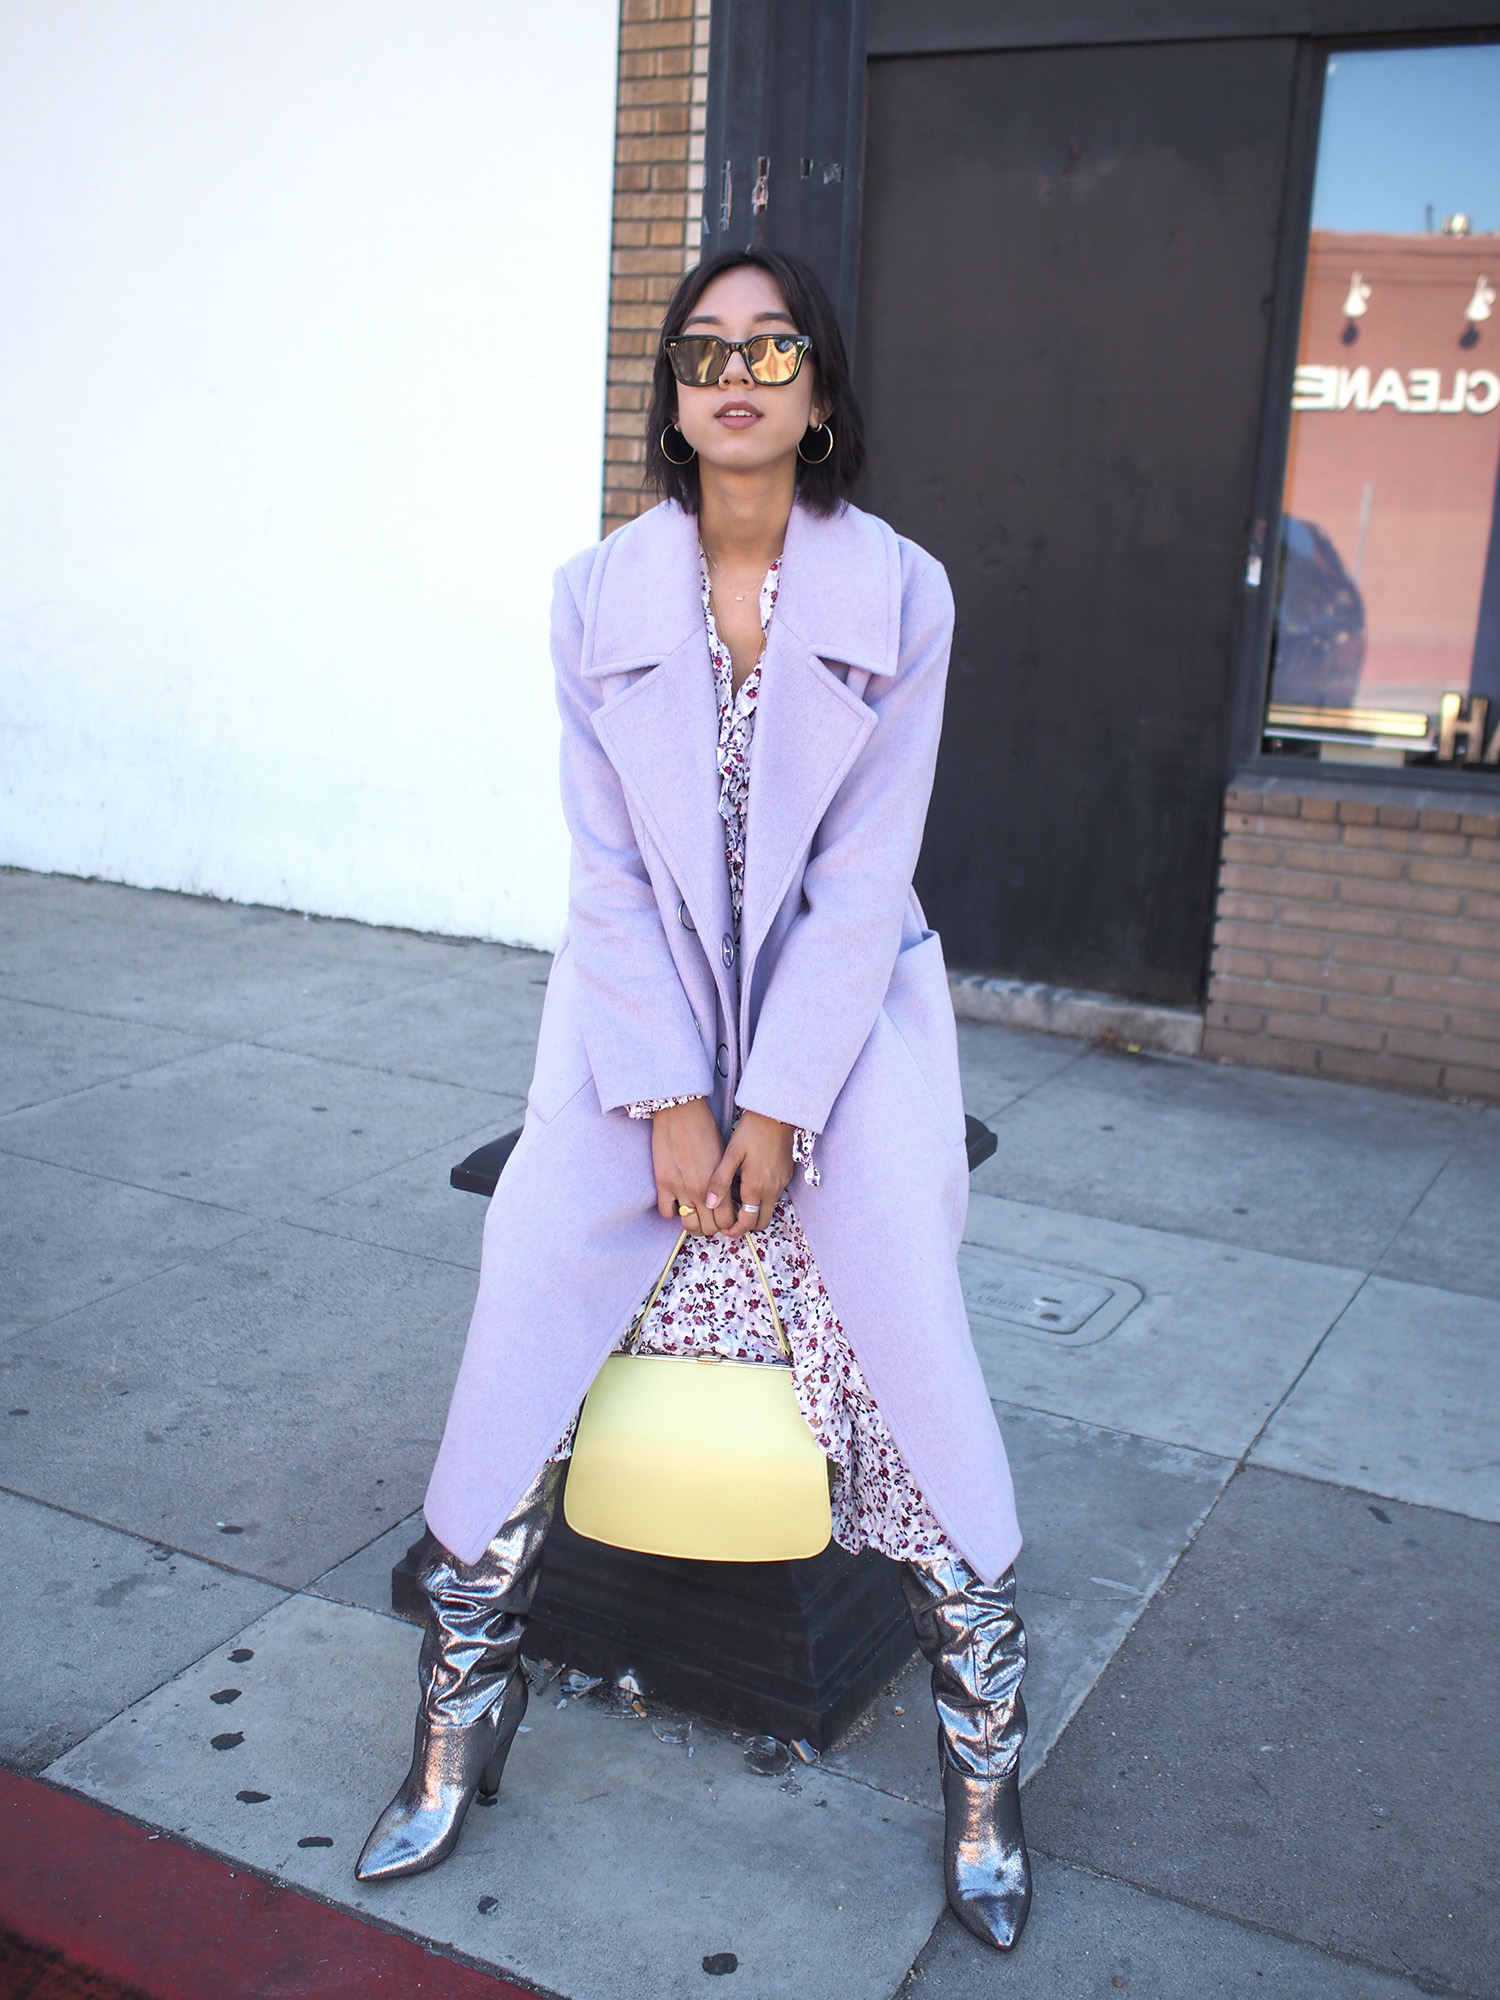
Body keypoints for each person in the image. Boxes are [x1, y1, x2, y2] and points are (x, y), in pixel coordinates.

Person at [356, 248, 1030, 1953]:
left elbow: (866, 884)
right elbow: (602, 879)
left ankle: (984, 1762)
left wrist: (782, 1105)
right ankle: (459, 1709)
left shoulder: (904, 593)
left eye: (772, 346)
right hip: (636, 1007)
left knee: (905, 1338)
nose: (736, 373)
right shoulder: (597, 598)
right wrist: (663, 1090)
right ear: (670, 392)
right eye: (703, 350)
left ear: (819, 394)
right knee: (528, 1287)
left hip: (844, 1022)